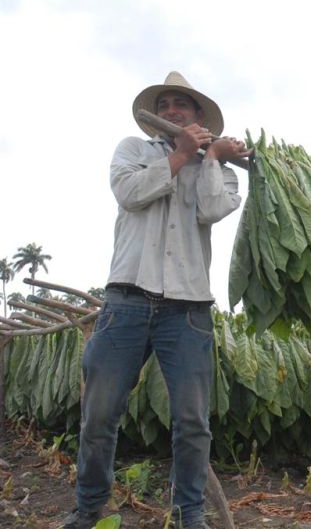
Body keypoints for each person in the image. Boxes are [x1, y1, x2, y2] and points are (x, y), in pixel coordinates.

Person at [62, 72, 251, 529]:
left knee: (191, 422)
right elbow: (129, 194)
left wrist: (206, 160)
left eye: (180, 105)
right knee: (100, 415)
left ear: (198, 116)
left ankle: (189, 514)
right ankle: (89, 509)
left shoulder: (222, 173)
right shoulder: (132, 150)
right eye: (164, 104)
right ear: (155, 117)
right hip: (125, 301)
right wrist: (182, 154)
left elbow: (211, 210)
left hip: (186, 310)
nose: (170, 111)